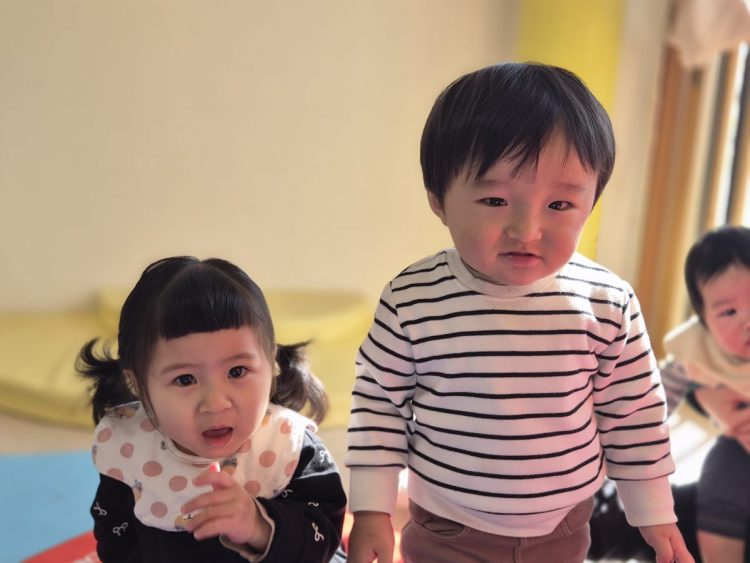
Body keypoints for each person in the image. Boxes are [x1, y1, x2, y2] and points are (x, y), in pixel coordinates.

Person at [345, 62, 694, 563]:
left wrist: (654, 513)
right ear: (438, 201)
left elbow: (634, 414)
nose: (526, 230)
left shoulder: (608, 303)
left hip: (565, 523)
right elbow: (379, 405)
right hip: (448, 524)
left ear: (590, 203)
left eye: (559, 205)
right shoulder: (412, 299)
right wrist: (372, 509)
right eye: (495, 199)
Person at [78, 256, 347, 562]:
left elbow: (325, 539)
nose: (216, 403)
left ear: (270, 362)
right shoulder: (130, 448)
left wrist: (257, 525)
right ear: (137, 384)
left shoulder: (290, 447)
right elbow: (116, 539)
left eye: (237, 372)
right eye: (185, 379)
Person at [589, 225, 750, 562]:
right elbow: (649, 400)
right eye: (729, 312)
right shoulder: (697, 354)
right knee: (723, 465)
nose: (747, 321)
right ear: (704, 323)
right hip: (737, 463)